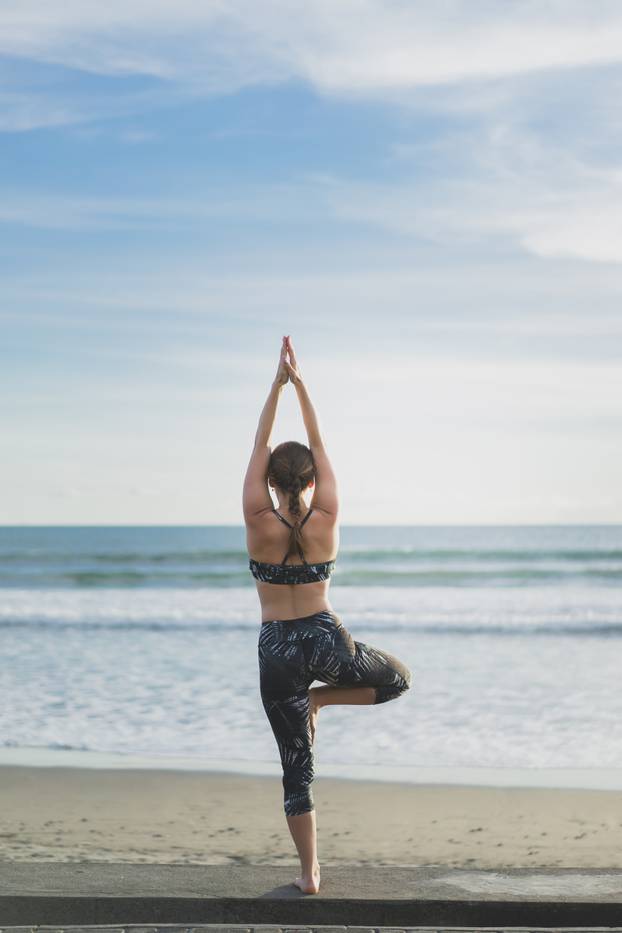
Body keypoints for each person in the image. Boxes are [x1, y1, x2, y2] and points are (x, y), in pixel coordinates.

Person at [242, 335, 412, 895]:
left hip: (276, 651)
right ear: (311, 481)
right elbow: (316, 441)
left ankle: (309, 872)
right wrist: (302, 385)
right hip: (325, 639)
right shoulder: (329, 513)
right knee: (396, 679)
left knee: (297, 766)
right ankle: (323, 699)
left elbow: (260, 443)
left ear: (270, 482)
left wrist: (275, 386)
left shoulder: (255, 515)